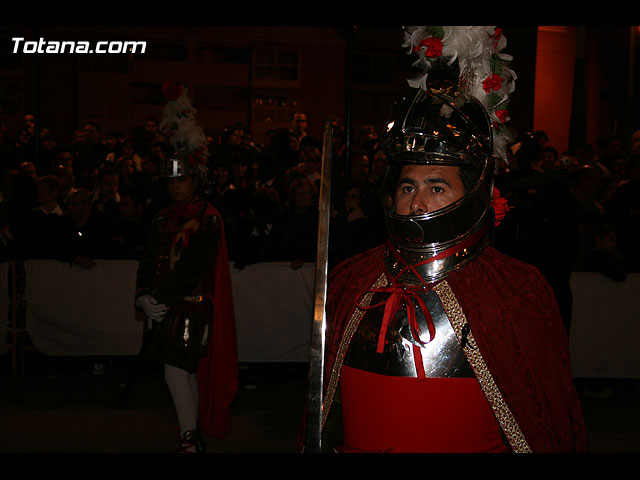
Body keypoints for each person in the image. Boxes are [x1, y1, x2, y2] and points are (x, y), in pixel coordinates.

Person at [300, 26, 586, 454]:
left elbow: (545, 418)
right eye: (407, 186)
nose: (416, 203)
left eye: (437, 187)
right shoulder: (350, 280)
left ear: (473, 193)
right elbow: (327, 411)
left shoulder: (516, 290)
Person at [134, 81, 238, 453]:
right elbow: (149, 259)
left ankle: (189, 439)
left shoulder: (207, 218)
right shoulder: (162, 216)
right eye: (171, 180)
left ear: (194, 179)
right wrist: (143, 295)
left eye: (182, 179)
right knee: (184, 372)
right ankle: (191, 433)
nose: (177, 186)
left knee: (175, 370)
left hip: (191, 305)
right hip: (162, 306)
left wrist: (157, 296)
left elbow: (193, 266)